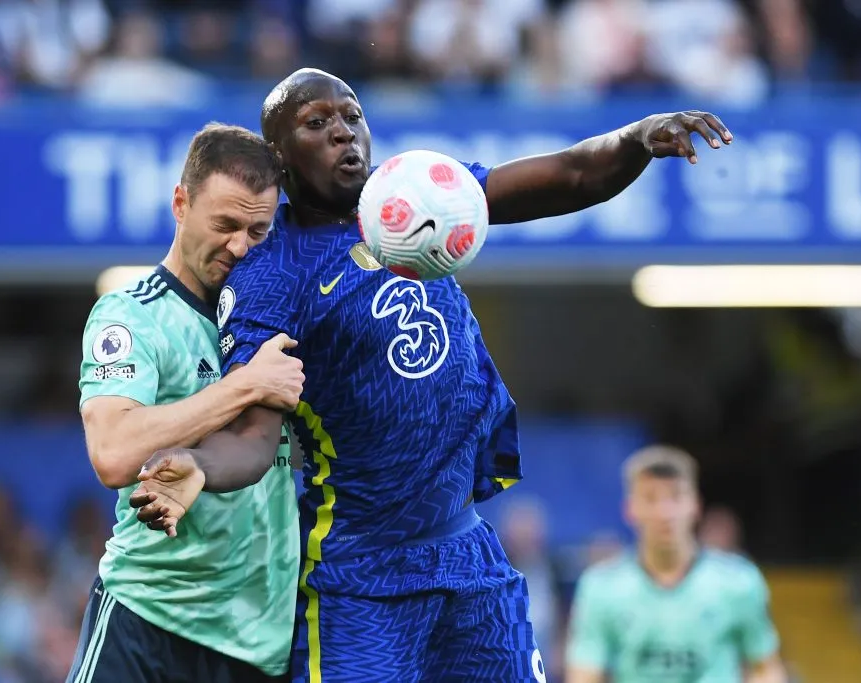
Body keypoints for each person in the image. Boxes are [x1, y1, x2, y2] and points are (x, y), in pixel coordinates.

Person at [131, 68, 734, 682]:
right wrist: (202, 467)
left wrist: (637, 137)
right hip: (359, 580)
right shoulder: (271, 276)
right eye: (317, 124)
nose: (344, 133)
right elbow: (254, 436)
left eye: (351, 116)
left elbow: (571, 176)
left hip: (468, 555)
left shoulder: (414, 191)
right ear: (280, 159)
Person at [68, 123, 305, 683]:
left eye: (258, 229)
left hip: (256, 641)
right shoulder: (132, 316)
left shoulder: (279, 320)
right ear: (180, 202)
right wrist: (245, 386)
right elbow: (112, 451)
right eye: (224, 224)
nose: (239, 246)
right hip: (148, 622)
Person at [565, 445, 787, 683]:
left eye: (676, 496)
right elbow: (584, 674)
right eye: (650, 498)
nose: (664, 512)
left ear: (696, 505)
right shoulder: (601, 587)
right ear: (630, 509)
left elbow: (765, 667)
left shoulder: (739, 582)